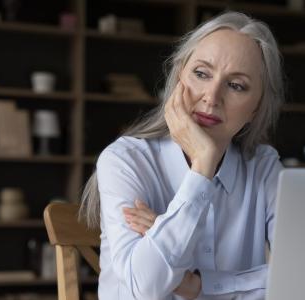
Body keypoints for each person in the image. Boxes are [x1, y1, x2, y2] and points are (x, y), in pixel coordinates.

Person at [79, 11, 285, 300]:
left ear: (256, 109)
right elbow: (145, 289)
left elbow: (303, 278)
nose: (211, 97)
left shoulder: (263, 167)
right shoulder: (125, 160)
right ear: (178, 78)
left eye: (236, 85)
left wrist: (200, 285)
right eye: (201, 74)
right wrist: (202, 167)